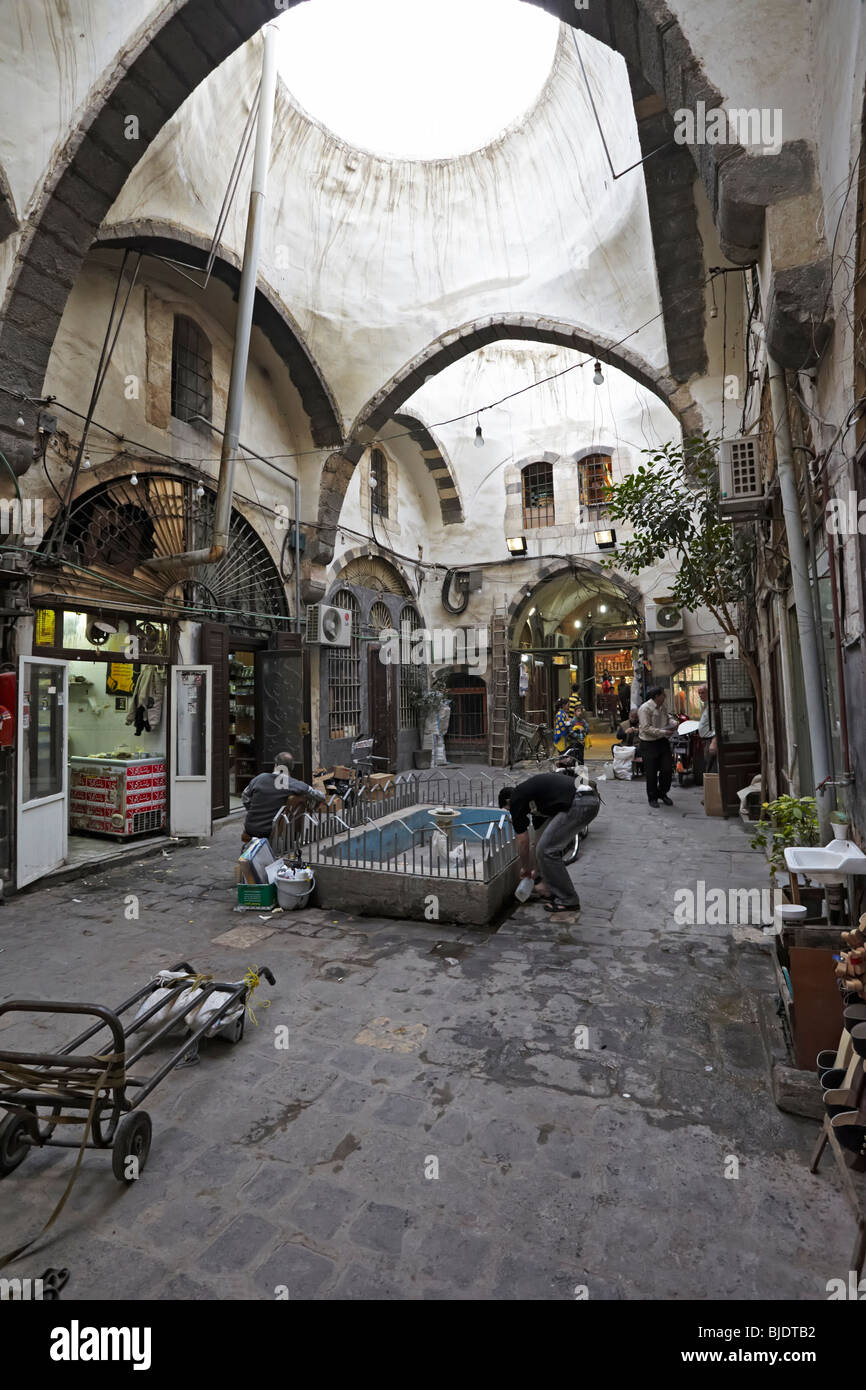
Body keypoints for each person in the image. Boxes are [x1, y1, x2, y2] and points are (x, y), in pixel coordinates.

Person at [498, 772, 600, 914]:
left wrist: (526, 869)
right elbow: (538, 840)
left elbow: (523, 841)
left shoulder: (517, 798)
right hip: (590, 799)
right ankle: (550, 888)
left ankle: (568, 900)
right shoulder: (537, 802)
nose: (511, 813)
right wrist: (536, 874)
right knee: (545, 849)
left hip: (579, 801)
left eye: (508, 809)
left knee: (547, 851)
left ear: (508, 801)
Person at [241, 751, 325, 844]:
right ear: (291, 768)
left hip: (250, 828)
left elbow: (245, 796)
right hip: (272, 831)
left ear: (276, 765)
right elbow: (321, 796)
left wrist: (252, 811)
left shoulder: (260, 778)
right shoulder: (294, 783)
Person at [638, 686, 677, 807]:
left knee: (667, 769)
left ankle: (662, 792)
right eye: (663, 694)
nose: (665, 696)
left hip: (662, 741)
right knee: (651, 772)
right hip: (648, 743)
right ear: (656, 696)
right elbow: (646, 728)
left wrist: (673, 722)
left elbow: (668, 717)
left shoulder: (662, 706)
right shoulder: (645, 708)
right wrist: (664, 732)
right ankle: (652, 797)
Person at [697, 683, 717, 774]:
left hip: (711, 740)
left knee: (711, 768)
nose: (700, 695)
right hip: (707, 740)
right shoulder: (706, 705)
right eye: (699, 693)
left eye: (702, 692)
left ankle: (712, 783)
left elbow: (716, 724)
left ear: (709, 693)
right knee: (709, 766)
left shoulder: (712, 706)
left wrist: (714, 741)